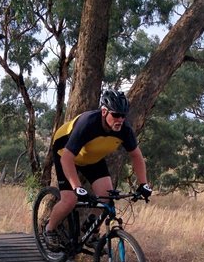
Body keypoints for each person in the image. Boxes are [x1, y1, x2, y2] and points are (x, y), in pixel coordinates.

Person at [44, 89, 152, 250]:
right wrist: (76, 187)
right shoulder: (88, 123)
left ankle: (90, 231)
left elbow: (136, 156)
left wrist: (143, 184)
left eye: (123, 115)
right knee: (70, 200)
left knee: (106, 197)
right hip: (65, 153)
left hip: (91, 157)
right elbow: (67, 158)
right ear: (104, 111)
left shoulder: (124, 129)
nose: (120, 119)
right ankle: (49, 230)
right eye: (116, 115)